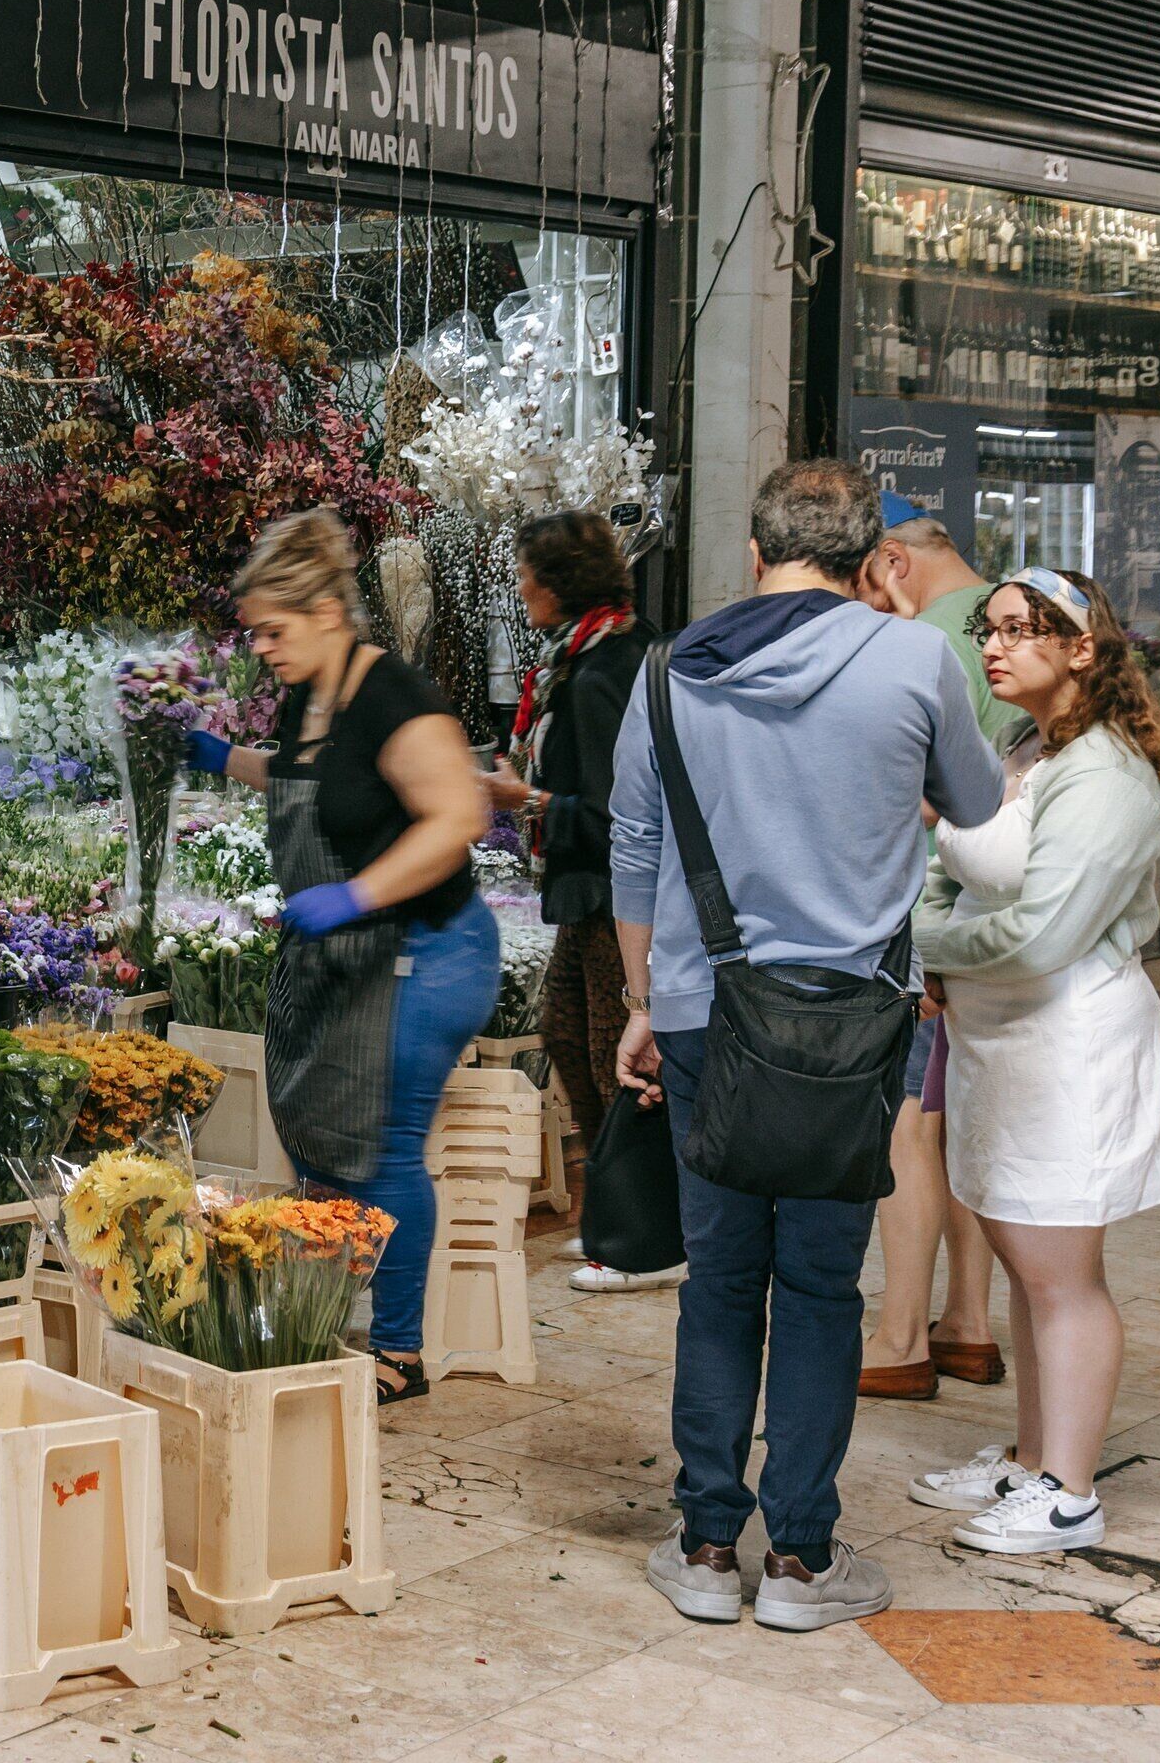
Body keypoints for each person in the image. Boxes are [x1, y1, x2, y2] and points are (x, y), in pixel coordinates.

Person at [610, 460, 1005, 1631]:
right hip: (853, 1018)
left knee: (721, 1280)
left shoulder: (667, 670)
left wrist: (640, 1000)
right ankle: (802, 1563)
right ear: (873, 560)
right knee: (823, 1285)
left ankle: (704, 1548)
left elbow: (635, 851)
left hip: (697, 1011)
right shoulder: (918, 659)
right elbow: (978, 811)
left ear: (752, 552)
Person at [905, 567, 1160, 1556]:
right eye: (991, 627)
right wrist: (936, 942)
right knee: (1027, 1261)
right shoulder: (1017, 746)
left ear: (1082, 649)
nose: (995, 644)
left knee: (1062, 1271)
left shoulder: (1105, 775)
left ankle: (1069, 1492)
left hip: (1072, 1047)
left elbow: (1038, 937)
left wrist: (924, 950)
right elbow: (945, 871)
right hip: (997, 1038)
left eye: (1025, 629)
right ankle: (1032, 1457)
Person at [188, 508, 498, 1403]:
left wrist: (358, 894)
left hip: (427, 953)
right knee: (325, 1144)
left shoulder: (394, 697)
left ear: (327, 610)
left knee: (383, 1149)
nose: (261, 649)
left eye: (272, 631)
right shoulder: (310, 693)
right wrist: (220, 758)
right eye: (254, 633)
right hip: (355, 954)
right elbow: (301, 777)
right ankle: (331, 1324)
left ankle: (397, 1352)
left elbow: (458, 819)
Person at [477, 509, 667, 1290]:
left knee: (609, 1059)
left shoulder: (603, 672)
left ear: (559, 586)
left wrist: (527, 799)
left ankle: (643, 1239)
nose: (521, 589)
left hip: (612, 896)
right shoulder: (591, 653)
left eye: (529, 575)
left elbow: (623, 810)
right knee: (567, 1036)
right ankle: (610, 1217)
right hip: (588, 892)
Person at [856, 499, 1017, 1400]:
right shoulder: (1013, 613)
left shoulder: (935, 643)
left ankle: (900, 1333)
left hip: (929, 909)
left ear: (891, 562)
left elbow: (929, 793)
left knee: (906, 1128)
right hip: (997, 917)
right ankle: (967, 1323)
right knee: (957, 1124)